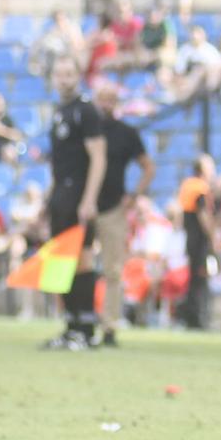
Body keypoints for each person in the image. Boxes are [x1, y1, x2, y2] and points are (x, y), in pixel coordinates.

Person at [42, 55, 107, 350]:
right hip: (60, 196)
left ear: (78, 76)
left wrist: (89, 199)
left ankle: (85, 327)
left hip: (79, 195)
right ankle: (69, 326)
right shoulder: (59, 112)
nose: (65, 79)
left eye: (70, 73)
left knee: (82, 259)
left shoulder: (86, 111)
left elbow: (98, 157)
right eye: (60, 73)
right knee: (62, 262)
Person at [91, 79, 153, 347]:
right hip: (84, 207)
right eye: (101, 98)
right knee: (78, 268)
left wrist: (134, 195)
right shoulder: (86, 130)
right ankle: (78, 321)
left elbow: (148, 167)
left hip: (113, 208)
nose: (105, 103)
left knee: (113, 270)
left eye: (110, 98)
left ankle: (109, 327)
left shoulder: (127, 133)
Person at [175, 156, 216, 330]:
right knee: (200, 279)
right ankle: (197, 317)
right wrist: (213, 236)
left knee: (194, 278)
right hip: (200, 240)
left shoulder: (187, 185)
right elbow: (203, 214)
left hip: (190, 237)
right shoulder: (200, 187)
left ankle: (190, 315)